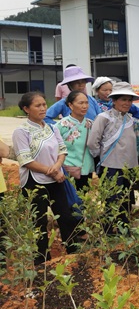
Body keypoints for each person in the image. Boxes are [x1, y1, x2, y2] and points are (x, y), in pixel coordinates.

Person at [12, 92, 80, 264]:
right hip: (34, 182)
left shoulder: (51, 127)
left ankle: (73, 253)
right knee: (39, 222)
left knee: (65, 216)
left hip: (56, 179)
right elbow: (25, 160)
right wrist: (52, 171)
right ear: (26, 109)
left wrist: (57, 167)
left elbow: (62, 150)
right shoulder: (21, 131)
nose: (43, 108)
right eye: (38, 105)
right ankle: (42, 261)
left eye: (44, 104)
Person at [87, 82, 139, 230]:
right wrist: (102, 157)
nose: (127, 103)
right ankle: (109, 231)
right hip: (110, 167)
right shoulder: (103, 118)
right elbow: (93, 142)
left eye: (129, 100)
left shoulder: (130, 120)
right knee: (111, 200)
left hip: (128, 168)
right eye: (123, 99)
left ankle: (124, 229)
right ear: (114, 100)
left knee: (126, 200)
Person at [57, 91, 95, 191]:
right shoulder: (61, 125)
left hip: (87, 169)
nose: (85, 106)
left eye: (86, 103)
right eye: (81, 103)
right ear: (70, 105)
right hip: (69, 169)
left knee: (84, 200)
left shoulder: (91, 124)